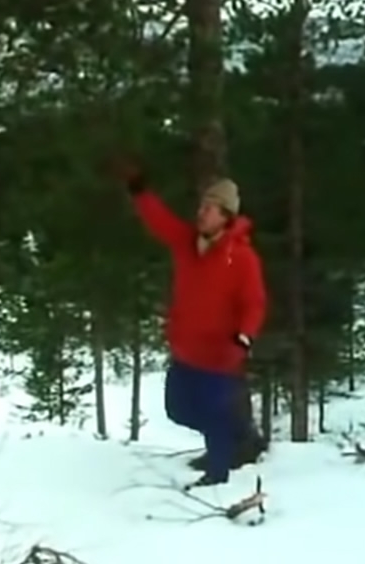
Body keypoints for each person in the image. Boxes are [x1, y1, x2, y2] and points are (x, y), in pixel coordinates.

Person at [116, 157, 268, 486]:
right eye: (201, 206)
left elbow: (254, 304)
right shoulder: (186, 243)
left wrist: (242, 340)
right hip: (186, 353)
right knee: (178, 411)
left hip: (219, 357)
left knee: (214, 416)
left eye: (210, 208)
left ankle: (217, 476)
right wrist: (139, 190)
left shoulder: (241, 257)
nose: (201, 212)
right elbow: (159, 221)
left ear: (226, 217)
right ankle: (239, 436)